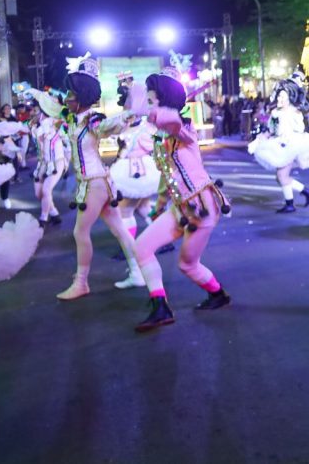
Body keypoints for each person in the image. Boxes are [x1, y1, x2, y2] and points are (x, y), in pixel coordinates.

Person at [30, 55, 145, 299]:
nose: (66, 98)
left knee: (80, 233)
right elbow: (52, 107)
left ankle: (81, 283)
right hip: (96, 182)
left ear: (81, 97)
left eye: (71, 94)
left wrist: (128, 114)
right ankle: (138, 272)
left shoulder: (93, 120)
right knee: (120, 230)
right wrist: (35, 93)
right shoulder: (71, 116)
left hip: (95, 184)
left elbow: (109, 126)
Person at [133, 61, 233, 332]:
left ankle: (218, 294)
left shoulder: (184, 128)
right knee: (141, 248)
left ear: (164, 101)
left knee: (187, 265)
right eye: (148, 101)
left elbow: (172, 120)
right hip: (180, 208)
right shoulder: (162, 139)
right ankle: (160, 306)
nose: (149, 106)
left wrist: (149, 111)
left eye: (152, 100)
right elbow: (167, 176)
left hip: (201, 208)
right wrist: (159, 206)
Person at [108, 75, 162, 289]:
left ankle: (136, 269)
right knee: (143, 209)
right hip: (143, 171)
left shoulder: (139, 127)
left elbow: (147, 147)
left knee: (124, 215)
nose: (124, 103)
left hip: (134, 173)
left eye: (127, 98)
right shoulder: (142, 125)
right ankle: (154, 245)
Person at [248, 74, 309, 213]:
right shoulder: (275, 112)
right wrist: (257, 141)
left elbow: (300, 130)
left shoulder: (294, 113)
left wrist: (289, 137)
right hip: (279, 145)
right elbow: (271, 130)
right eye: (279, 96)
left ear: (289, 99)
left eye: (283, 97)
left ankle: (291, 204)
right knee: (280, 177)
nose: (279, 99)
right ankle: (306, 192)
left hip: (291, 146)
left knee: (282, 176)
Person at [28, 101, 66, 226]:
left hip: (56, 162)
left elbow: (67, 140)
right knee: (38, 193)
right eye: (32, 110)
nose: (32, 113)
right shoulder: (34, 126)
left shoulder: (56, 124)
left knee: (46, 189)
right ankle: (54, 213)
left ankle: (43, 218)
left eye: (35, 110)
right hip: (42, 164)